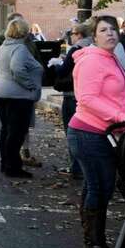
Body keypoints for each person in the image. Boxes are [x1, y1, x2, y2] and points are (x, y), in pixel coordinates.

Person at [68, 16, 125, 248]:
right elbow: (87, 98)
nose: (110, 33)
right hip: (89, 133)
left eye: (113, 29)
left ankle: (93, 239)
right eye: (103, 30)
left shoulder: (111, 58)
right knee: (101, 187)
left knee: (95, 185)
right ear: (94, 36)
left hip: (108, 133)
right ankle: (94, 244)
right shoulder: (92, 61)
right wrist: (121, 117)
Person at [0, 17, 42, 179]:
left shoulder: (4, 46)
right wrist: (29, 84)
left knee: (6, 130)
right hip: (17, 96)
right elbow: (17, 68)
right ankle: (13, 166)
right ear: (24, 32)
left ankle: (6, 163)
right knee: (16, 132)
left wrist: (0, 79)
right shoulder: (19, 48)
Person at [48, 20, 92, 179]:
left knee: (72, 132)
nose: (70, 37)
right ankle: (83, 167)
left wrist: (56, 64)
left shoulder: (77, 48)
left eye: (72, 34)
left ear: (79, 34)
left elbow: (64, 69)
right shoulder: (93, 47)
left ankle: (77, 168)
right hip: (85, 94)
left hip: (72, 94)